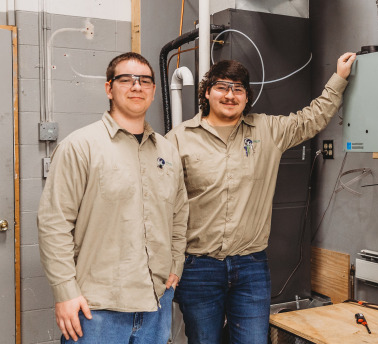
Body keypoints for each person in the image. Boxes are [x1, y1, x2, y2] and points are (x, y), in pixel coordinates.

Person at [165, 52, 356, 343]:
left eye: (238, 89)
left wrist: (339, 78)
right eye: (222, 87)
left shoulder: (267, 130)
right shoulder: (178, 139)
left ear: (246, 97)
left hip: (250, 266)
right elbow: (162, 203)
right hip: (198, 267)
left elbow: (311, 119)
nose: (230, 95)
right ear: (206, 92)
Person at [38, 52, 188, 344]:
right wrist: (65, 291)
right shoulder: (80, 146)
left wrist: (176, 263)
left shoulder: (167, 152)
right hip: (97, 309)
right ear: (109, 88)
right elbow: (53, 223)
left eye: (145, 80)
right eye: (126, 79)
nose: (136, 86)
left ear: (154, 91)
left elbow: (179, 214)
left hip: (156, 303)